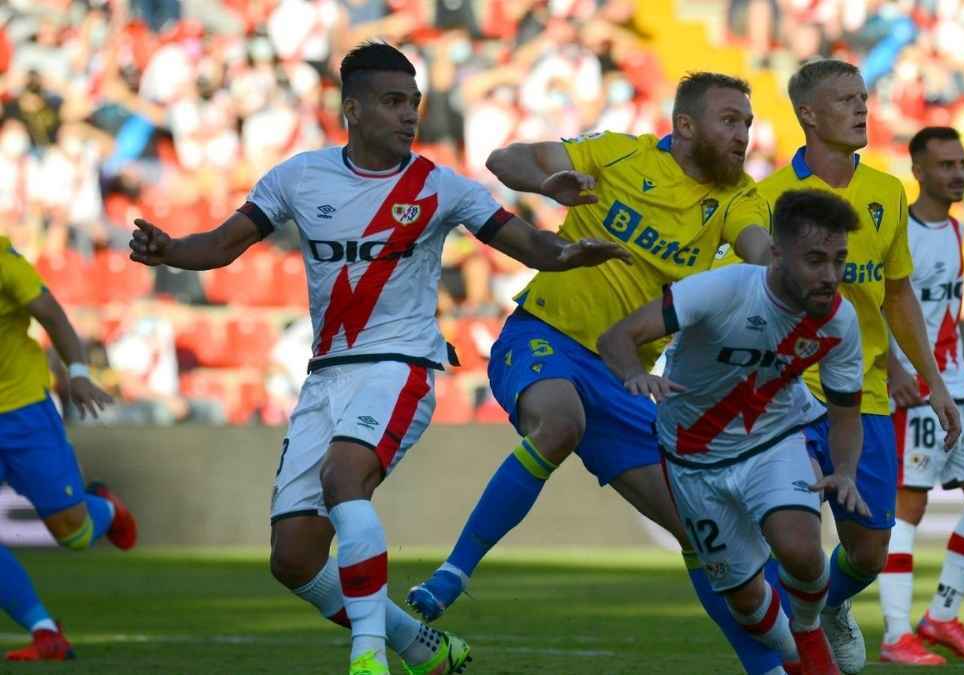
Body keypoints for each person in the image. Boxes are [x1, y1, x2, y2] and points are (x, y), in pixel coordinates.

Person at [127, 41, 631, 675]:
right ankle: (419, 647)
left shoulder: (441, 187)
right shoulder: (299, 177)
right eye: (393, 102)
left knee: (346, 478)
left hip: (401, 363)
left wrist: (570, 251)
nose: (408, 115)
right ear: (353, 109)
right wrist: (170, 249)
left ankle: (367, 658)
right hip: (325, 376)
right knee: (295, 559)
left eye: (413, 103)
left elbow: (531, 247)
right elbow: (223, 246)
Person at [408, 72, 792, 674]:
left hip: (624, 377)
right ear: (685, 126)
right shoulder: (619, 152)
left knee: (704, 530)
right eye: (730, 120)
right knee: (559, 423)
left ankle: (770, 666)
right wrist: (549, 183)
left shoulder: (740, 197)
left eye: (746, 122)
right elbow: (505, 158)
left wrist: (793, 266)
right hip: (543, 337)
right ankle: (453, 572)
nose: (743, 133)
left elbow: (759, 248)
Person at [598, 189, 865, 675]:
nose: (830, 275)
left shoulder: (840, 321)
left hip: (773, 440)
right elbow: (615, 337)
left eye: (839, 260)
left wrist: (844, 470)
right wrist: (631, 374)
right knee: (745, 604)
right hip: (692, 459)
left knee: (802, 551)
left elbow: (846, 412)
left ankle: (810, 635)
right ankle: (795, 654)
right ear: (777, 255)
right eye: (815, 260)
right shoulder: (721, 290)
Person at [753, 59, 962, 673]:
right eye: (845, 100)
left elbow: (896, 294)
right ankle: (787, 648)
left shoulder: (887, 192)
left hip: (862, 391)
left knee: (868, 553)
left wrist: (932, 378)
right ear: (809, 115)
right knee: (788, 539)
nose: (862, 108)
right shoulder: (765, 200)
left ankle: (819, 608)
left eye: (863, 98)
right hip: (784, 394)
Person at [877, 126, 964, 665]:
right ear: (918, 171)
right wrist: (890, 371)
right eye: (945, 165)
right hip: (914, 392)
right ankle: (893, 635)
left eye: (961, 164)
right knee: (908, 506)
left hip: (956, 388)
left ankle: (942, 616)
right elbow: (871, 304)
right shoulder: (896, 232)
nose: (957, 173)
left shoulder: (956, 231)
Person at [0, 236, 137, 662]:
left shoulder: (5, 264)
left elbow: (52, 316)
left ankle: (107, 510)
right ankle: (45, 632)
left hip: (22, 412)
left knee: (74, 534)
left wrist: (77, 373)